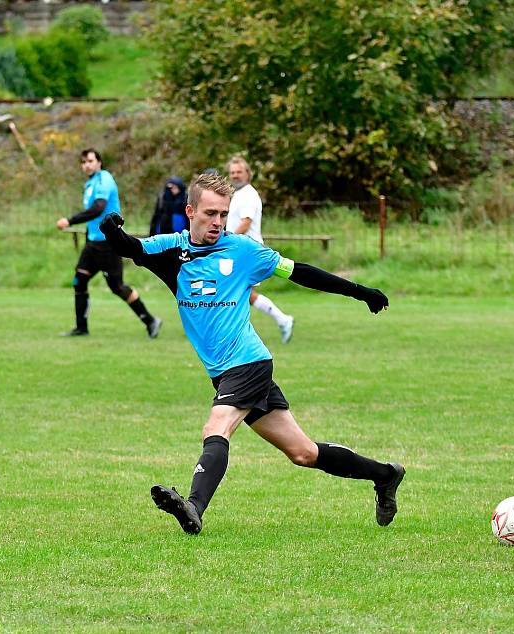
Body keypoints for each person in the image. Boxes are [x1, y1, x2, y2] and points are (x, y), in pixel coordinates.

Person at [99, 172, 404, 534]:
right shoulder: (171, 250)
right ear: (190, 210)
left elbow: (300, 272)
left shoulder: (243, 251)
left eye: (223, 214)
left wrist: (358, 291)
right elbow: (132, 248)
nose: (217, 222)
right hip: (224, 370)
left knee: (217, 425)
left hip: (248, 362)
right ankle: (385, 476)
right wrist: (112, 232)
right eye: (210, 213)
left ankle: (193, 506)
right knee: (303, 453)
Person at [56, 148, 161, 338]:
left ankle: (150, 320)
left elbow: (98, 209)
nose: (86, 165)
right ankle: (81, 328)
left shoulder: (105, 179)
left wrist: (70, 221)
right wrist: (88, 237)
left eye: (90, 161)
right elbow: (93, 219)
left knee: (117, 287)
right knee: (79, 281)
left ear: (99, 162)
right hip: (93, 244)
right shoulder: (89, 184)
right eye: (83, 162)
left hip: (109, 243)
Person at [226, 156, 295, 344]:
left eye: (239, 172)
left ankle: (280, 321)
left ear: (248, 173)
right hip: (239, 251)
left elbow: (246, 223)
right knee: (239, 293)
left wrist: (224, 240)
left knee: (235, 291)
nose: (235, 175)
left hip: (247, 252)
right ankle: (282, 320)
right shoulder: (238, 194)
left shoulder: (248, 195)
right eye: (232, 172)